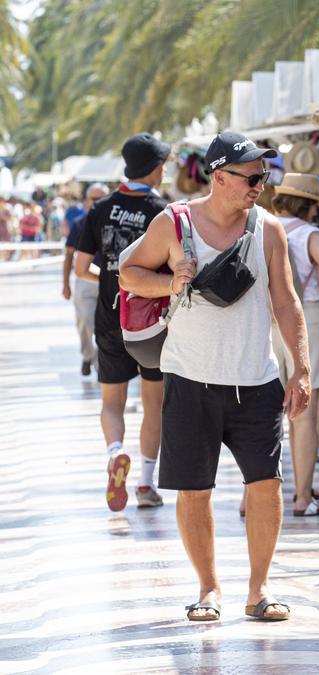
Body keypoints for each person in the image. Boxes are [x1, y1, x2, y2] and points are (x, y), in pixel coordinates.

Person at [119, 131, 307, 623]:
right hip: (189, 378)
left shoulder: (268, 229)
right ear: (219, 177)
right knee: (194, 491)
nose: (260, 184)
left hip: (256, 379)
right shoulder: (174, 222)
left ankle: (259, 589)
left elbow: (286, 302)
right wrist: (169, 280)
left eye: (264, 174)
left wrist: (301, 369)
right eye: (251, 175)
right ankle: (208, 589)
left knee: (265, 485)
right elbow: (128, 274)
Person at [75, 134, 171, 511]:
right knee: (153, 404)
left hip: (109, 317)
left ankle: (115, 452)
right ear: (155, 168)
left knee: (112, 401)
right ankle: (146, 483)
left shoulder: (99, 208)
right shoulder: (164, 211)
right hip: (151, 321)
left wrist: (111, 276)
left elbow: (82, 268)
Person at [271, 173, 319, 516]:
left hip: (268, 321)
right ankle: (303, 496)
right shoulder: (308, 234)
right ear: (310, 205)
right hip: (308, 321)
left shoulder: (262, 228)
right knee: (305, 409)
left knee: (270, 411)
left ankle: (253, 494)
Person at [62, 184, 109, 376]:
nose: (97, 203)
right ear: (87, 200)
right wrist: (65, 284)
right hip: (85, 279)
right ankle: (87, 355)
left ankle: (100, 366)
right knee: (85, 321)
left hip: (108, 280)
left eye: (101, 199)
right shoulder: (80, 223)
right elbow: (68, 255)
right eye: (93, 199)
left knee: (103, 326)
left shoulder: (112, 222)